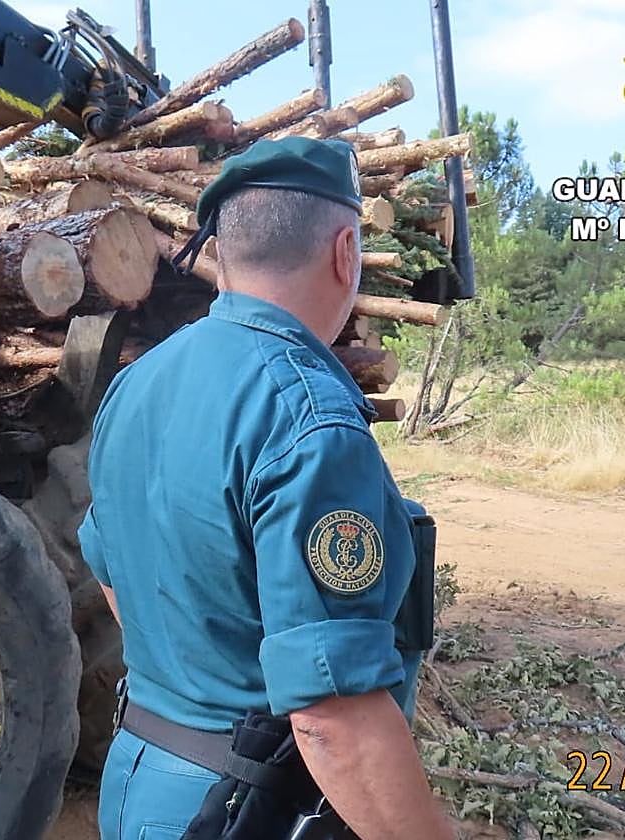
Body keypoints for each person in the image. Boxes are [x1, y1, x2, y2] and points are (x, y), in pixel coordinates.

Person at [78, 137, 455, 840]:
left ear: (223, 254)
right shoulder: (311, 419)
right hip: (242, 808)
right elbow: (331, 717)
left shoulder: (137, 383)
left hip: (137, 777)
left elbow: (113, 573)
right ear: (346, 252)